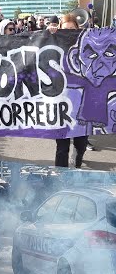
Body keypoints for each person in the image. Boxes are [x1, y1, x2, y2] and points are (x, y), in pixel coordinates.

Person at [46, 13, 89, 167]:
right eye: (65, 29)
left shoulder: (86, 44)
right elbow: (39, 47)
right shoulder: (54, 43)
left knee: (81, 144)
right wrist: (48, 32)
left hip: (83, 104)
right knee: (62, 147)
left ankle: (76, 170)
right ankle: (60, 177)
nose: (69, 32)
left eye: (72, 29)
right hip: (62, 104)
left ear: (78, 29)